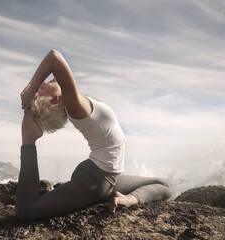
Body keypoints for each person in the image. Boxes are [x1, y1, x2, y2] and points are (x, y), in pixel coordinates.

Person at [16, 49, 171, 220]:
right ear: (55, 100)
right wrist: (31, 89)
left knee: (165, 185)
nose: (42, 82)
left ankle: (130, 199)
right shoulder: (74, 105)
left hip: (109, 177)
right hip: (95, 180)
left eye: (41, 85)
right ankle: (28, 141)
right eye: (41, 88)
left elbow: (55, 64)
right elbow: (54, 58)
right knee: (26, 211)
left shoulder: (74, 104)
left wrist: (130, 198)